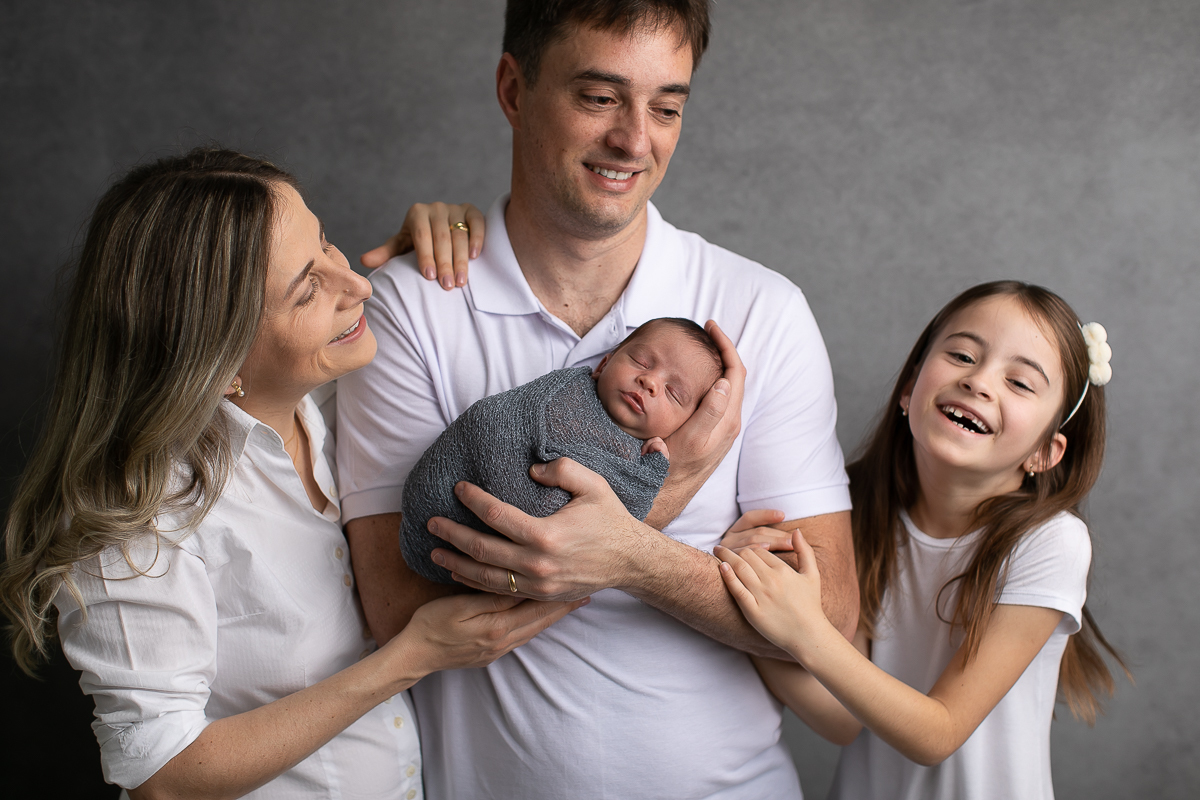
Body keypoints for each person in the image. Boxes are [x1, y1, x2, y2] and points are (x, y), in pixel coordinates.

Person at [336, 1, 859, 797]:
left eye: (667, 107)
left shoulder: (758, 313)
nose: (635, 140)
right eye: (599, 97)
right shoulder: (411, 307)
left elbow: (827, 626)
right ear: (515, 89)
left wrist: (634, 560)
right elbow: (399, 605)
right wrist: (662, 501)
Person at [0, 148, 583, 800]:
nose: (356, 284)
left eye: (326, 241)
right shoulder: (136, 517)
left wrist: (446, 228)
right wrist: (410, 658)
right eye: (309, 288)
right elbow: (161, 774)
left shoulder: (342, 402)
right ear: (219, 365)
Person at [716, 281, 1128, 800]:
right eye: (961, 355)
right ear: (910, 389)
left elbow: (939, 733)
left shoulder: (1050, 543)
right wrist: (748, 600)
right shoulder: (855, 509)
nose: (979, 381)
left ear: (1046, 451)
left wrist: (802, 630)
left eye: (1020, 383)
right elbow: (842, 720)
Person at [400, 317, 722, 584]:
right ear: (603, 364)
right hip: (446, 489)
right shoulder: (565, 392)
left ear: (681, 427)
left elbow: (622, 522)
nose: (650, 381)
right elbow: (491, 423)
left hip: (506, 568)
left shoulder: (641, 465)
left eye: (673, 393)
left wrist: (651, 470)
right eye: (641, 361)